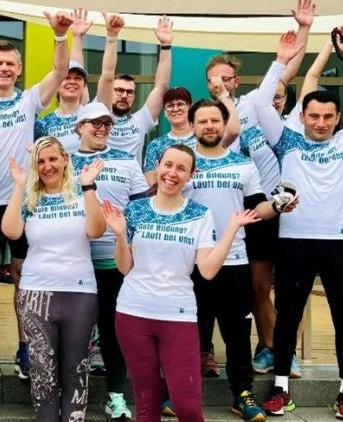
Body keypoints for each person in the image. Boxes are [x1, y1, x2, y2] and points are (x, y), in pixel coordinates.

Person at [256, 24, 343, 421]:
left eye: (328, 116)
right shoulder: (287, 139)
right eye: (314, 116)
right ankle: (280, 389)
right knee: (289, 315)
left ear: (337, 118)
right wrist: (279, 62)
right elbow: (261, 104)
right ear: (303, 116)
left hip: (341, 243)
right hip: (295, 241)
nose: (321, 123)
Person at [103, 144, 261, 422]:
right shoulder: (135, 209)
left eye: (181, 168)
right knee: (147, 403)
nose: (172, 173)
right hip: (133, 313)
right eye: (168, 165)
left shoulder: (199, 213)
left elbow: (208, 270)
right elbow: (125, 267)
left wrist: (232, 229)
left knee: (187, 405)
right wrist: (118, 235)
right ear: (158, 167)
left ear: (191, 175)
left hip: (178, 316)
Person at [0, 9, 72, 381]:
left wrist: (60, 37)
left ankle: (25, 348)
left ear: (20, 68)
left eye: (11, 63)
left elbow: (59, 72)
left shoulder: (28, 100)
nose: (5, 69)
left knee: (23, 274)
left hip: (23, 202)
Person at [186, 97, 300, 422]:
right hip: (190, 262)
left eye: (214, 121)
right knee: (189, 332)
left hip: (235, 262)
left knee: (237, 334)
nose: (209, 126)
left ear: (225, 126)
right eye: (203, 121)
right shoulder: (183, 162)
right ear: (193, 126)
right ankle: (181, 391)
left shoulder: (243, 165)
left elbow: (257, 208)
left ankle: (242, 393)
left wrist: (278, 206)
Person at [0, 137, 105, 422]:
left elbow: (96, 230)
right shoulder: (30, 198)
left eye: (52, 159)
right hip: (36, 293)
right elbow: (10, 231)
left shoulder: (82, 193)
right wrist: (19, 184)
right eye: (41, 161)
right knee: (43, 372)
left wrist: (89, 187)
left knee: (76, 367)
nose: (47, 166)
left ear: (65, 160)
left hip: (79, 292)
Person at [253, 37, 333, 376]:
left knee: (293, 291)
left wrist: (324, 41)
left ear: (289, 102)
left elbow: (312, 78)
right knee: (256, 285)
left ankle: (282, 349)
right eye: (271, 95)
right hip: (262, 212)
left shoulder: (295, 127)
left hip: (294, 212)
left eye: (280, 96)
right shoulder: (251, 126)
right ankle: (272, 344)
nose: (274, 100)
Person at [66, 102, 151, 418]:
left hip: (115, 263)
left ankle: (115, 395)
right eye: (94, 123)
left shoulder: (127, 160)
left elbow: (142, 208)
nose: (102, 128)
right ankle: (73, 396)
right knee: (74, 333)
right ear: (79, 127)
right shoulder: (65, 162)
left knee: (115, 333)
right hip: (75, 263)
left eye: (107, 124)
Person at [107, 17, 172, 165]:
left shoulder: (140, 120)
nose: (124, 95)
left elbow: (161, 86)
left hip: (133, 186)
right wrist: (112, 36)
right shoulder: (96, 117)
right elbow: (107, 73)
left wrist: (166, 46)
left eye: (130, 92)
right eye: (119, 90)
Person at [33, 8, 94, 152]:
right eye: (66, 78)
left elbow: (107, 77)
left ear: (84, 86)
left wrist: (77, 37)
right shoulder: (43, 124)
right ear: (57, 84)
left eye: (78, 78)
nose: (72, 82)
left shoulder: (92, 118)